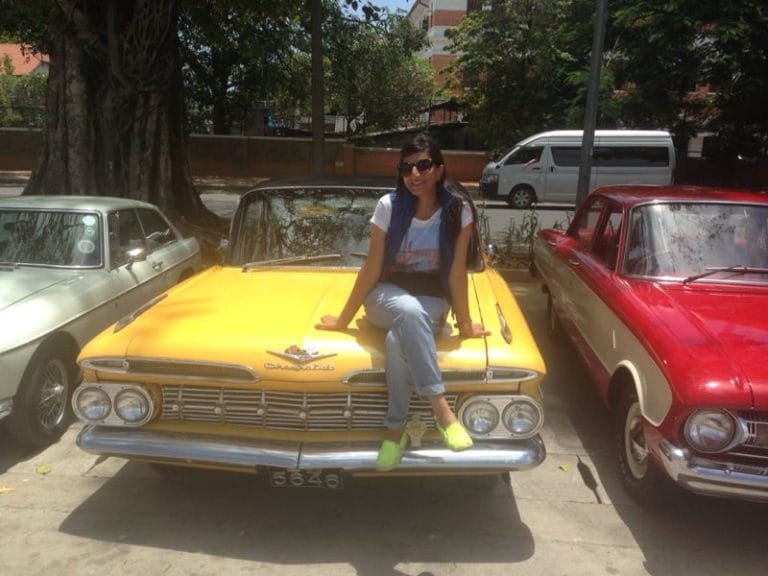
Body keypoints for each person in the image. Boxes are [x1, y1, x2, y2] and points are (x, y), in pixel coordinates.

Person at [316, 133, 489, 471]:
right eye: (407, 167)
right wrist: (343, 318)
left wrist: (465, 323)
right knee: (407, 311)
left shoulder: (459, 210)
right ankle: (441, 408)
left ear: (439, 169)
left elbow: (456, 273)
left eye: (423, 165)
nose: (415, 174)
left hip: (432, 299)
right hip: (386, 295)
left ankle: (395, 432)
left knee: (399, 339)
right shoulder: (389, 206)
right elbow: (371, 268)